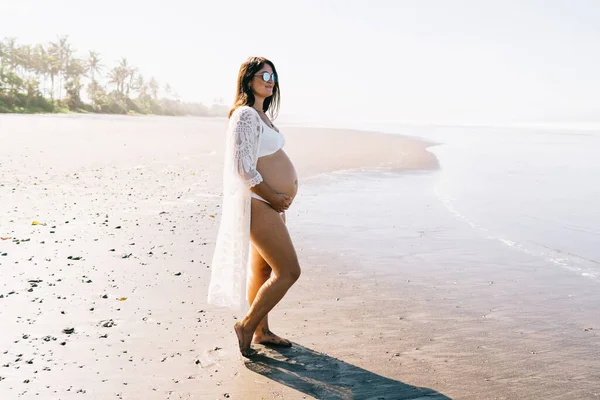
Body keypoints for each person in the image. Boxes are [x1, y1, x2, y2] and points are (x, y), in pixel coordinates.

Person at [208, 56, 301, 357]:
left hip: (269, 204)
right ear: (248, 79)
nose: (270, 80)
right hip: (259, 202)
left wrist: (279, 197)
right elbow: (242, 168)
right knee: (288, 272)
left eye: (273, 75)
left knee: (262, 270)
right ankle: (246, 326)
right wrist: (274, 197)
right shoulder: (245, 115)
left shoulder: (262, 116)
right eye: (263, 74)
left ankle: (261, 331)